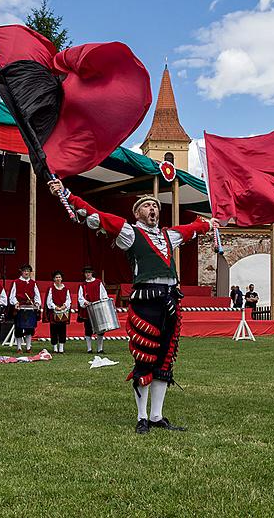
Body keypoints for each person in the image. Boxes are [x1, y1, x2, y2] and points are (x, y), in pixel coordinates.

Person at [50, 178, 218, 435]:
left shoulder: (167, 235)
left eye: (156, 207)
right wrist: (66, 193)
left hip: (171, 300)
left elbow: (190, 229)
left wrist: (208, 223)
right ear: (137, 212)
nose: (154, 210)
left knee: (164, 361)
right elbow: (96, 215)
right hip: (146, 301)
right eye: (148, 206)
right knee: (144, 359)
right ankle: (142, 417)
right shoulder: (130, 232)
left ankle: (157, 416)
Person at [78, 266, 110, 354]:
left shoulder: (98, 282)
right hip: (88, 310)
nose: (87, 274)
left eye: (89, 272)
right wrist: (85, 302)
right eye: (86, 273)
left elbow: (104, 294)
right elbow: (80, 298)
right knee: (88, 329)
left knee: (100, 329)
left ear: (92, 273)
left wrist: (101, 302)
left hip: (98, 309)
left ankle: (100, 349)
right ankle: (89, 349)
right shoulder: (82, 285)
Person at [9, 264, 41, 353]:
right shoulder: (16, 282)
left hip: (30, 309)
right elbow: (12, 296)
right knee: (19, 328)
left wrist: (37, 303)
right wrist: (16, 303)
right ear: (21, 272)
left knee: (29, 329)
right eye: (24, 271)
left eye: (28, 271)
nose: (26, 272)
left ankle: (28, 347)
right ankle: (19, 348)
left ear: (30, 272)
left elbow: (37, 295)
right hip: (20, 309)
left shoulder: (33, 283)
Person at [44, 270, 72, 354]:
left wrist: (64, 306)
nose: (58, 279)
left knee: (62, 330)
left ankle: (61, 348)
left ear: (62, 278)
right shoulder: (51, 289)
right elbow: (49, 301)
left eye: (59, 277)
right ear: (53, 279)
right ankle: (55, 348)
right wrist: (55, 307)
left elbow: (68, 300)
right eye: (56, 277)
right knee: (54, 330)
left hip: (63, 312)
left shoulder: (66, 289)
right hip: (54, 312)